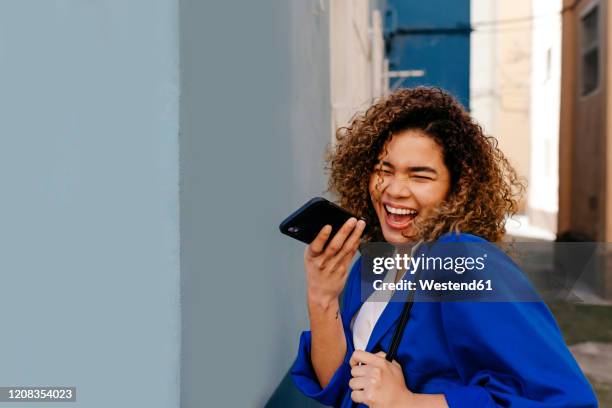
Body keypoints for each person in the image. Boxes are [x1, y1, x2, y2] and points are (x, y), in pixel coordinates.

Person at [290, 87, 598, 407]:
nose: (395, 190)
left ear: (457, 187)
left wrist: (409, 403)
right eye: (384, 170)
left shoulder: (461, 259)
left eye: (419, 176)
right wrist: (322, 298)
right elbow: (341, 391)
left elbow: (567, 401)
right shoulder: (370, 267)